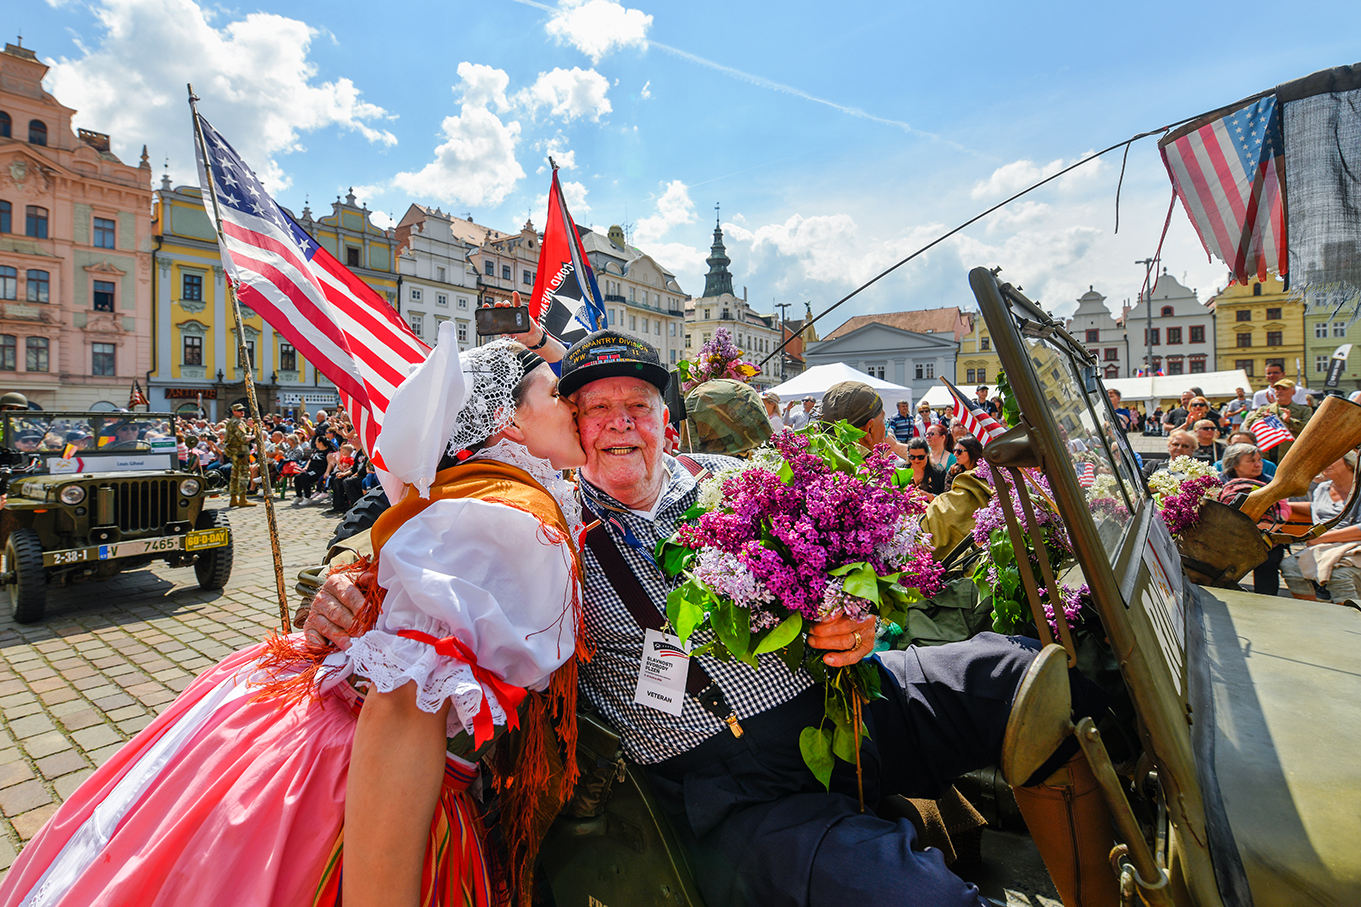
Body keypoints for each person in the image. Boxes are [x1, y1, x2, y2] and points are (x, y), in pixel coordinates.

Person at [310, 334, 1117, 907]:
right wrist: (341, 589)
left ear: (669, 419)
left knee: (1015, 672)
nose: (620, 421)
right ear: (567, 431)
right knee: (904, 892)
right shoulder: (541, 525)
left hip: (846, 702)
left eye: (638, 404)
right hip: (728, 784)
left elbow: (852, 572)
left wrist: (857, 615)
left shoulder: (738, 477)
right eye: (594, 408)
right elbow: (419, 551)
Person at [0, 333, 589, 907]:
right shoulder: (512, 515)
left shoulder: (517, 493)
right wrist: (345, 574)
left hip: (334, 741)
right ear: (509, 424)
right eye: (559, 392)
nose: (577, 404)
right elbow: (409, 700)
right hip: (374, 782)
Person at [1279, 453, 1361, 603]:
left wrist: (1322, 538)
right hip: (1325, 546)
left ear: (1349, 463)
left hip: (1354, 545)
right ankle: (1312, 609)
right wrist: (1283, 505)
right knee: (1289, 566)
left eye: (1332, 459)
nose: (1325, 463)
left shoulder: (1359, 489)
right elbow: (1318, 517)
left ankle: (1351, 617)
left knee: (1339, 574)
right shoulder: (1322, 489)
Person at [1244, 378, 1312, 463]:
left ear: (1293, 392)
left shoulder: (1304, 410)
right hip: (1267, 454)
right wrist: (1263, 419)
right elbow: (1249, 424)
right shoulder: (1264, 409)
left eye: (1284, 389)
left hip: (1290, 454)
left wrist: (1289, 421)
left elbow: (1308, 430)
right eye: (1277, 389)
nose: (1280, 391)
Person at [224, 403, 255, 508]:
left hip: (234, 452)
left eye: (242, 410)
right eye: (239, 410)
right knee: (243, 475)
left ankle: (233, 498)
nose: (242, 412)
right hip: (241, 451)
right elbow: (243, 438)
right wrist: (254, 436)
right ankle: (242, 499)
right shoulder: (238, 422)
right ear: (234, 412)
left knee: (234, 476)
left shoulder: (230, 422)